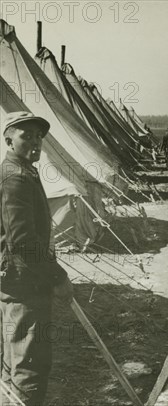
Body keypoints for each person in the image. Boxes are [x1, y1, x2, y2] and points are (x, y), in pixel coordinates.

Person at [0, 112, 74, 405]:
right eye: (26, 136)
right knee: (30, 365)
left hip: (17, 281)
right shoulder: (14, 177)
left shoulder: (22, 170)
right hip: (25, 285)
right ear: (8, 139)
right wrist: (58, 276)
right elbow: (22, 241)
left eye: (39, 137)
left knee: (12, 364)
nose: (35, 143)